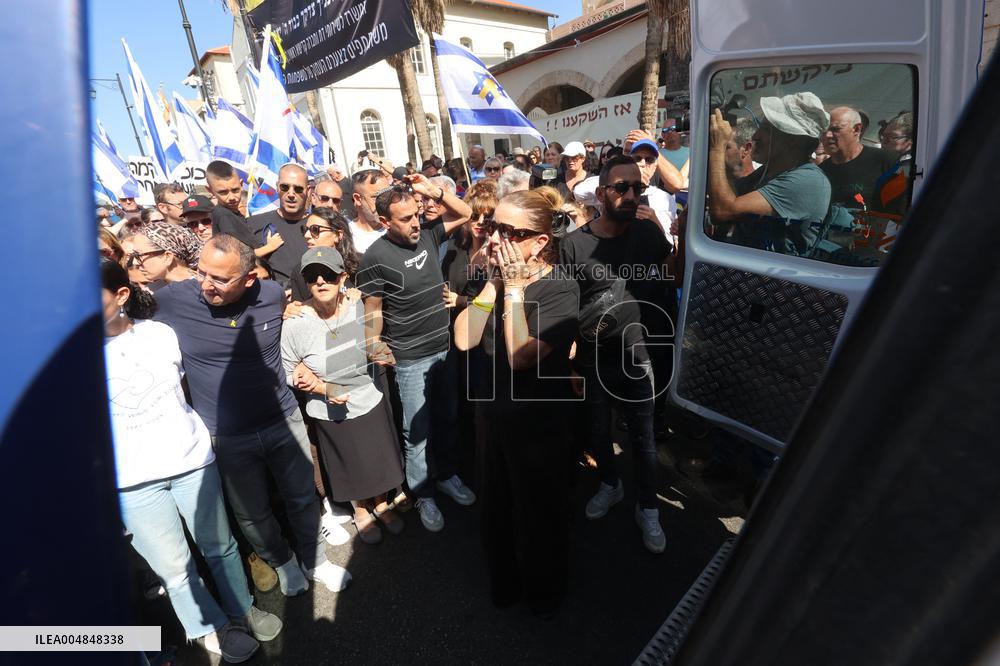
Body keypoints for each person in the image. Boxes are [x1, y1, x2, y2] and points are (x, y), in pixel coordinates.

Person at [101, 259, 281, 661]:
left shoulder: (160, 334)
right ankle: (209, 628)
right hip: (133, 480)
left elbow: (188, 384)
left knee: (221, 547)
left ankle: (242, 610)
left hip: (191, 462)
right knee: (176, 568)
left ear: (122, 295)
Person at [153, 234, 352, 596]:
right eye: (202, 273)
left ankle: (316, 560)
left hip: (282, 420)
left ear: (248, 279)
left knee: (303, 496)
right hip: (226, 434)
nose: (206, 285)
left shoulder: (271, 295)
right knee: (252, 513)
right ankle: (283, 561)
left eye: (219, 279)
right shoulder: (172, 301)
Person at [453, 188, 578, 616]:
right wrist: (493, 281)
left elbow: (519, 355)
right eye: (491, 227)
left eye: (507, 231)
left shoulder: (561, 289)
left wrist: (516, 292)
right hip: (492, 419)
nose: (493, 239)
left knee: (540, 515)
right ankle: (504, 584)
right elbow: (465, 337)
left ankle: (544, 596)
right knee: (495, 512)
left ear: (540, 241)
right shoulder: (494, 279)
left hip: (540, 426)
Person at [560, 155, 677, 554]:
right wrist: (570, 357)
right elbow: (568, 303)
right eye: (622, 188)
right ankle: (611, 484)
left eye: (637, 188)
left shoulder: (646, 233)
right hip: (593, 358)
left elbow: (668, 274)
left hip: (637, 354)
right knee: (597, 431)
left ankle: (648, 507)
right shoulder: (574, 244)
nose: (631, 195)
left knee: (643, 440)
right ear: (601, 192)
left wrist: (665, 232)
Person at [357, 174, 475, 532]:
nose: (414, 223)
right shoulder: (375, 256)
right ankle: (423, 493)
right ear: (384, 222)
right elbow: (374, 307)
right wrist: (373, 342)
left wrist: (433, 191)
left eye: (416, 214)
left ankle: (448, 475)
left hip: (445, 348)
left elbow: (466, 211)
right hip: (410, 359)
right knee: (417, 431)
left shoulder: (428, 232)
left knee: (449, 417)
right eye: (405, 218)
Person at [282, 247, 406, 545]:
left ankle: (380, 502)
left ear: (343, 278)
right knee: (348, 462)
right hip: (330, 407)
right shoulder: (294, 323)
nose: (321, 281)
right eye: (312, 277)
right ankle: (360, 509)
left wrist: (382, 353)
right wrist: (322, 388)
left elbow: (374, 340)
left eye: (329, 275)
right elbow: (288, 372)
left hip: (367, 394)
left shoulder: (358, 305)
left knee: (376, 455)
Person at [708, 92, 832, 255]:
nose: (756, 136)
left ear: (793, 140)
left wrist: (717, 148)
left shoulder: (808, 180)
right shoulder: (768, 173)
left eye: (766, 129)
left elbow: (723, 211)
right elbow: (726, 195)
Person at [820, 106, 900, 209]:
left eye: (835, 129)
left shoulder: (887, 161)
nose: (827, 135)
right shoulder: (820, 172)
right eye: (823, 130)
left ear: (857, 129)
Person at [246, 163, 312, 287]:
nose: (291, 194)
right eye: (285, 187)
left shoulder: (319, 226)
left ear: (308, 190)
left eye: (298, 189)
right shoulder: (253, 224)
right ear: (277, 187)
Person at [206, 160, 285, 261]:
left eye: (235, 190)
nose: (231, 197)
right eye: (223, 192)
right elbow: (239, 257)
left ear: (241, 184)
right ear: (210, 190)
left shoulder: (232, 213)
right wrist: (270, 247)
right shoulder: (223, 215)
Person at [290, 207, 361, 302]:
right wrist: (292, 309)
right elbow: (298, 308)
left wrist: (360, 295)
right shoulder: (300, 270)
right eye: (305, 229)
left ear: (337, 235)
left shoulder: (361, 264)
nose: (307, 235)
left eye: (315, 230)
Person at [624, 137, 677, 238]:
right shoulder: (615, 189)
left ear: (655, 166)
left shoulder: (665, 199)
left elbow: (670, 243)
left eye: (649, 160)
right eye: (637, 158)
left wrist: (654, 220)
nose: (643, 164)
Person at [129, 221, 202, 287]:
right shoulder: (156, 291)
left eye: (138, 255)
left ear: (167, 257)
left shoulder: (204, 288)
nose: (135, 262)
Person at [349, 168, 391, 254]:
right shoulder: (348, 237)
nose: (385, 202)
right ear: (357, 199)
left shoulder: (397, 226)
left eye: (388, 195)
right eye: (376, 197)